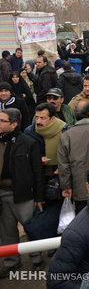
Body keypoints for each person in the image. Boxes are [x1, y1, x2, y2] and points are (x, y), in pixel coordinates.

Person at [0, 108, 45, 277]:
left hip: (24, 195)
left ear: (14, 124)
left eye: (2, 121)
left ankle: (36, 257)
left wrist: (39, 197)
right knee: (7, 231)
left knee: (31, 227)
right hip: (2, 194)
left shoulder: (28, 143)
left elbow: (37, 172)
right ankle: (11, 261)